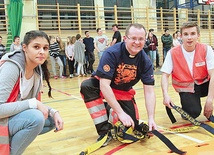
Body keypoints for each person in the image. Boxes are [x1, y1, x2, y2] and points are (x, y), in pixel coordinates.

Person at [80, 23, 157, 146]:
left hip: (124, 92)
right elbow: (104, 85)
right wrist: (120, 113)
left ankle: (109, 109)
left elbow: (149, 92)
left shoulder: (145, 61)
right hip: (104, 87)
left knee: (132, 126)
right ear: (126, 38)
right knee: (87, 85)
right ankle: (104, 132)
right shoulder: (112, 53)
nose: (137, 42)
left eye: (141, 39)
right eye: (133, 38)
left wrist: (151, 118)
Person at [0, 30, 64, 155]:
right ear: (24, 48)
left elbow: (31, 104)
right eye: (36, 47)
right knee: (36, 118)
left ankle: (10, 145)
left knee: (51, 119)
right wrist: (33, 103)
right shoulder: (12, 67)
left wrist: (53, 112)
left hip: (8, 117)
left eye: (45, 48)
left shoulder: (36, 70)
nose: (42, 52)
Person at [161, 21, 214, 119]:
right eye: (186, 34)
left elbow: (213, 74)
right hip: (187, 89)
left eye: (193, 34)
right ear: (180, 36)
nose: (189, 37)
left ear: (198, 35)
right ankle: (188, 107)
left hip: (203, 84)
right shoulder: (172, 53)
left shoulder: (206, 49)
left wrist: (210, 100)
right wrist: (165, 95)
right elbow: (165, 75)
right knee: (193, 113)